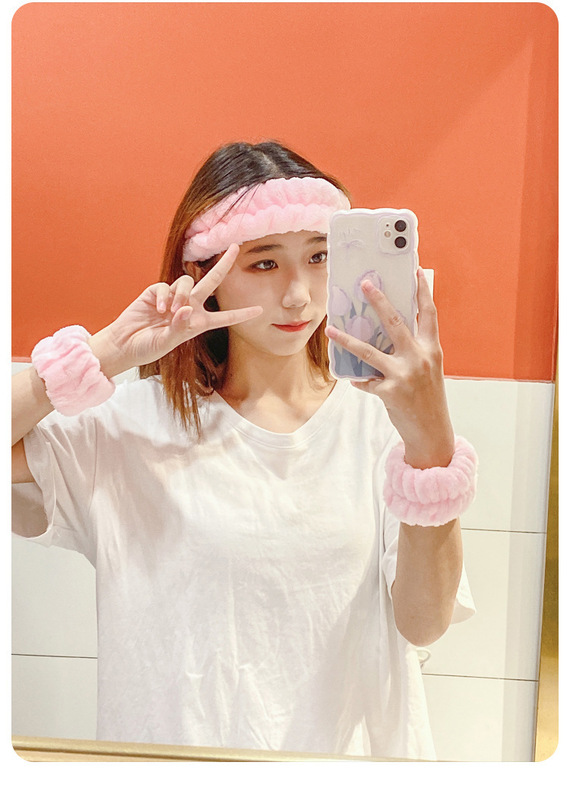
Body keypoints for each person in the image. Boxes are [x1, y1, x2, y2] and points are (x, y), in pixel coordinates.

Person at [12, 140, 477, 760]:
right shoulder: (126, 429)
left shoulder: (380, 422)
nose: (298, 294)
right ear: (206, 274)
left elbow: (424, 622)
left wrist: (431, 443)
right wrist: (105, 354)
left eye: (319, 257)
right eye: (264, 263)